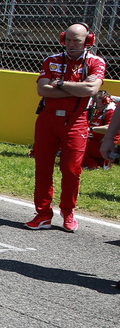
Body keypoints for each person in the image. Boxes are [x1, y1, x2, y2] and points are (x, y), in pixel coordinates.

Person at [26, 24, 105, 232]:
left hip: (76, 121)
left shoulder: (95, 62)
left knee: (71, 170)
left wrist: (59, 83)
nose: (71, 44)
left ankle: (68, 212)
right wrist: (75, 89)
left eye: (76, 40)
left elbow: (91, 89)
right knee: (43, 168)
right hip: (47, 120)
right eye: (68, 40)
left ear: (88, 41)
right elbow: (43, 89)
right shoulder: (51, 60)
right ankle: (43, 214)